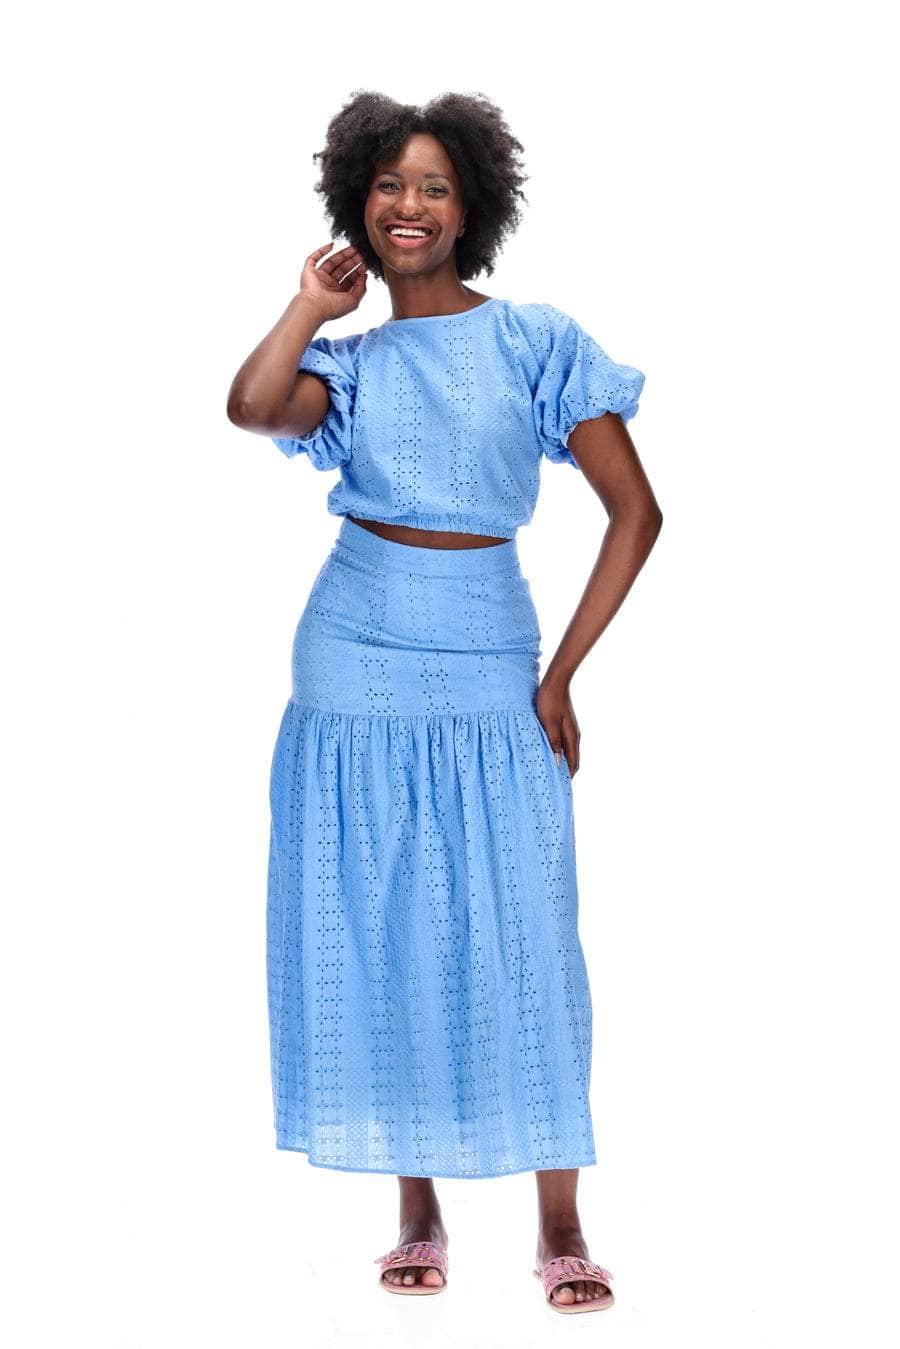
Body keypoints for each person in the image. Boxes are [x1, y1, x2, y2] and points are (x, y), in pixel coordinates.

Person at [227, 90, 663, 1315]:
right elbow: (253, 407)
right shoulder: (351, 364)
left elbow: (637, 513)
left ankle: (560, 1221)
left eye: (432, 186)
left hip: (488, 652)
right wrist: (310, 307)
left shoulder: (534, 340)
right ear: (357, 204)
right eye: (387, 185)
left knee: (528, 932)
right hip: (354, 648)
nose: (407, 205)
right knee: (386, 920)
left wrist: (559, 675)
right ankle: (415, 1209)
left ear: (472, 207)